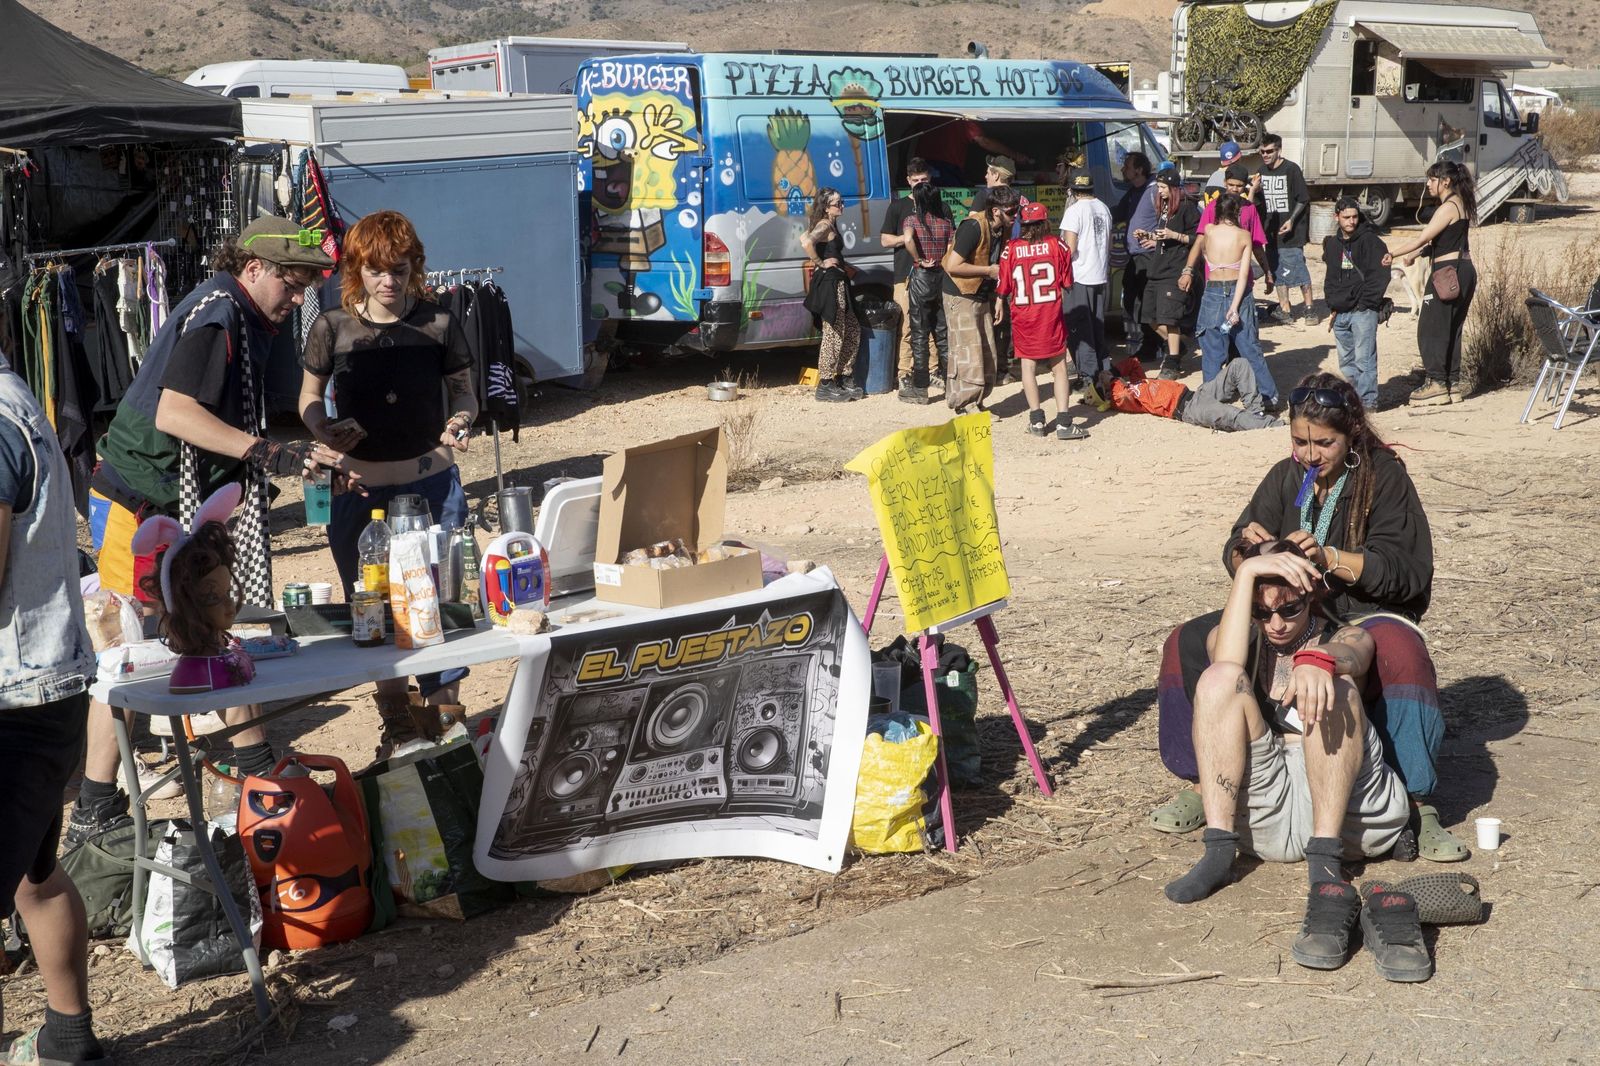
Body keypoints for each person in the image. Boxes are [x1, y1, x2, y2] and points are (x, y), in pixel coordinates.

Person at [74, 216, 349, 846]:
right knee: (127, 653)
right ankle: (93, 807)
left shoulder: (244, 314)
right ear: (253, 268)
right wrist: (264, 451)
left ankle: (257, 769)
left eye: (306, 286)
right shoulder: (219, 315)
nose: (299, 297)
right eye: (292, 283)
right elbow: (176, 413)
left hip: (180, 501)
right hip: (138, 503)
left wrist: (295, 454)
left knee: (212, 628)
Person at [1153, 372, 1467, 864]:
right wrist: (1250, 552)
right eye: (1300, 441)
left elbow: (1404, 573)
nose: (1310, 454)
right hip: (1293, 607)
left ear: (1352, 434)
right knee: (1187, 641)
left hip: (1363, 612)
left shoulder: (1384, 477)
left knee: (1400, 651)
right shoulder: (1289, 475)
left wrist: (1329, 557)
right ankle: (1203, 779)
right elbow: (1236, 542)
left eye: (1324, 443)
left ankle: (1416, 801)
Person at [1167, 539, 1429, 983]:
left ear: (1312, 594)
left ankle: (1325, 862)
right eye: (1262, 612)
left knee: (1337, 685)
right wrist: (1247, 572)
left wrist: (1318, 660)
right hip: (1268, 812)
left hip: (1341, 808)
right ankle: (1218, 850)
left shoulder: (1342, 632)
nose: (1276, 624)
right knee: (1217, 679)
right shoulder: (1241, 637)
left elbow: (1356, 652)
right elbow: (1224, 661)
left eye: (1289, 609)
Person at [299, 210, 477, 753]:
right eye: (376, 271)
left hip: (434, 486)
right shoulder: (331, 327)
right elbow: (307, 399)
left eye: (399, 270)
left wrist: (461, 420)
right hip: (361, 492)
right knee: (373, 608)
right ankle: (398, 726)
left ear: (414, 266)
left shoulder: (439, 323)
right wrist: (323, 429)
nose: (389, 282)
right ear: (356, 269)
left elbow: (465, 393)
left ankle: (445, 721)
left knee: (439, 603)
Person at [1, 351, 112, 1063]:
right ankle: (69, 1041)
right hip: (43, 685)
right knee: (33, 876)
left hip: (17, 697)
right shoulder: (16, 400)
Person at [1383, 160, 1478, 406]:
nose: (1428, 184)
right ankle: (1452, 385)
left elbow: (1422, 237)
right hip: (1463, 271)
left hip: (1447, 274)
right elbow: (1443, 241)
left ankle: (1436, 383)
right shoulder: (1461, 203)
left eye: (1432, 179)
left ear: (1445, 182)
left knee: (1430, 328)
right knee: (1451, 329)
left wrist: (1392, 253)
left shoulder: (1448, 207)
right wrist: (1417, 255)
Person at [1183, 194, 1280, 410]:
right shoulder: (1244, 235)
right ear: (1237, 212)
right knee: (1249, 346)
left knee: (1212, 348)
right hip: (1239, 291)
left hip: (1213, 290)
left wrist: (1187, 271)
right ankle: (1268, 396)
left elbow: (1201, 254)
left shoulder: (1208, 231)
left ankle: (1210, 397)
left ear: (1216, 212)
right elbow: (1244, 274)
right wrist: (1234, 307)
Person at [996, 201, 1083, 440]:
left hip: (1023, 315)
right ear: (1045, 222)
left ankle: (1036, 420)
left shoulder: (1011, 248)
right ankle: (1064, 423)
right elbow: (1067, 282)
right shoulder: (1058, 245)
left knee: (1028, 367)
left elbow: (1003, 285)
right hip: (1050, 314)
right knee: (1059, 366)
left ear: (1023, 224)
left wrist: (999, 301)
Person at [942, 184, 1017, 413]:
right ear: (995, 211)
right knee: (967, 351)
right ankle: (965, 405)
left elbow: (999, 265)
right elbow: (952, 265)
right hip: (960, 293)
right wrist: (988, 271)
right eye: (1011, 211)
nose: (1015, 216)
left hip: (983, 294)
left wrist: (999, 299)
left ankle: (978, 400)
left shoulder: (1002, 228)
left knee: (986, 351)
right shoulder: (973, 227)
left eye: (1016, 211)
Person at [880, 158, 942, 398]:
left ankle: (932, 370)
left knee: (933, 325)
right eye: (915, 180)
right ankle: (904, 373)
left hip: (933, 274)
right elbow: (885, 240)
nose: (920, 184)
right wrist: (909, 237)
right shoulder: (898, 207)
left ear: (930, 179)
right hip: (905, 275)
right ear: (908, 181)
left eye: (924, 179)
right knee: (907, 326)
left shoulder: (938, 205)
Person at [1322, 196, 1390, 411]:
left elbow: (1380, 275)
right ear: (1336, 217)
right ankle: (1354, 401)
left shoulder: (1371, 241)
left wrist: (1366, 303)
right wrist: (1332, 303)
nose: (1351, 221)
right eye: (1346, 217)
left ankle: (1368, 403)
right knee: (1347, 363)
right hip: (1340, 312)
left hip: (1363, 312)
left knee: (1364, 361)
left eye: (1354, 217)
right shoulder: (1332, 244)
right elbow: (1330, 277)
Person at [1097, 355, 1282, 432]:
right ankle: (1273, 426)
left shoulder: (1134, 383)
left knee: (1239, 364)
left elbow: (1133, 363)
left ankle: (1256, 412)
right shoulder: (1117, 398)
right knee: (1232, 415)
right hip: (1188, 409)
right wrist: (1110, 381)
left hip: (1197, 393)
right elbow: (1123, 396)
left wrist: (1112, 371)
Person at [801, 187, 865, 403]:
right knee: (834, 332)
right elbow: (806, 242)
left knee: (852, 329)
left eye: (842, 201)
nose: (842, 206)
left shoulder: (829, 223)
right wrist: (821, 263)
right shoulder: (824, 224)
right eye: (838, 203)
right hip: (830, 284)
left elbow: (805, 236)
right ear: (827, 207)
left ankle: (844, 376)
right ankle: (826, 383)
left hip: (839, 281)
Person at [1134, 169, 1200, 379]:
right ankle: (1177, 347)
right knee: (1149, 317)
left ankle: (1172, 363)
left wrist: (1174, 235)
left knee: (1170, 319)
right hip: (1157, 269)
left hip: (1174, 270)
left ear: (1173, 188)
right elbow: (1164, 238)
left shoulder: (1187, 208)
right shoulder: (1164, 208)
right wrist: (1149, 236)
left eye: (1162, 187)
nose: (1159, 191)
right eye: (1158, 187)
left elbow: (1198, 239)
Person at [898, 178, 955, 405]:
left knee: (919, 334)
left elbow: (908, 239)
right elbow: (951, 250)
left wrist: (919, 259)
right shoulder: (946, 223)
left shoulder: (912, 220)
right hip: (942, 277)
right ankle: (952, 386)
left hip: (922, 277)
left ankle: (920, 389)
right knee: (943, 334)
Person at [1059, 172, 1112, 404]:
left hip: (1079, 276)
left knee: (1080, 330)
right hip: (1099, 274)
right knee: (1097, 326)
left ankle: (1088, 378)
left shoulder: (1074, 211)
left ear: (1072, 190)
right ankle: (1104, 371)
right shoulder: (1104, 208)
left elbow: (1069, 249)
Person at [1254, 134, 1314, 326]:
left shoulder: (1291, 169)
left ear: (1279, 150)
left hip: (1291, 233)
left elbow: (1303, 198)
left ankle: (1310, 309)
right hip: (1271, 232)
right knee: (1277, 269)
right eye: (1262, 152)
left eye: (1269, 151)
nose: (1265, 155)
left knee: (1299, 269)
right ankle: (1285, 309)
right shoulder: (1261, 171)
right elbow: (1258, 203)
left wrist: (1291, 220)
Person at [1115, 152, 1161, 360]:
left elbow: (1169, 219)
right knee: (1132, 301)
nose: (1123, 170)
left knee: (1145, 303)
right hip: (1135, 257)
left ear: (1139, 170)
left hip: (1148, 256)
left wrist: (1156, 240)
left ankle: (1158, 344)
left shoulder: (1154, 190)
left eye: (1127, 166)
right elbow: (1117, 213)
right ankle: (1153, 342)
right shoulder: (1133, 192)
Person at [918, 119, 1032, 185]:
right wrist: (1015, 155)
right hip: (947, 169)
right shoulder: (963, 119)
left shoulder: (929, 111)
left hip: (923, 166)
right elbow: (984, 141)